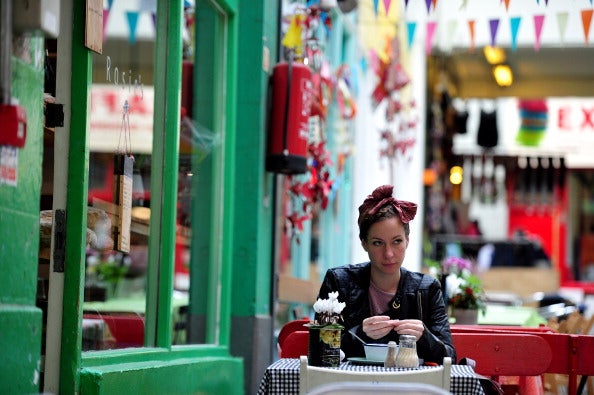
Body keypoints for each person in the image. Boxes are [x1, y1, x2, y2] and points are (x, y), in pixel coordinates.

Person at [315, 185, 456, 364]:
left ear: (407, 241)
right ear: (364, 243)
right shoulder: (338, 282)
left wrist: (424, 336)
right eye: (377, 243)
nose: (389, 253)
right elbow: (320, 348)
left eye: (397, 241)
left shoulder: (427, 290)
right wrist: (358, 333)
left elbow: (450, 356)